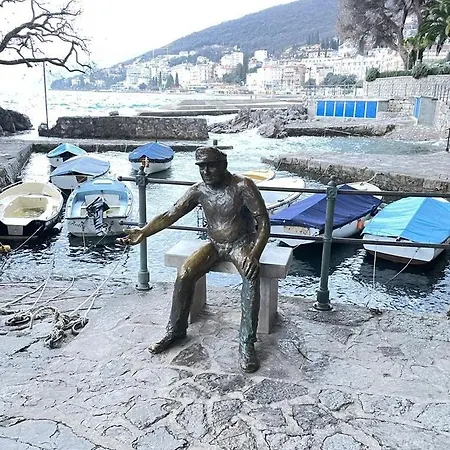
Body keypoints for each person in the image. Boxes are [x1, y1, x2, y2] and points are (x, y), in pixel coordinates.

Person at [118, 146, 270, 373]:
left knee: (250, 276)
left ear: (224, 165)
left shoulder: (243, 186)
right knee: (185, 273)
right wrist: (144, 232)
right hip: (215, 244)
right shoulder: (199, 191)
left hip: (242, 243)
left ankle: (247, 343)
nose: (205, 172)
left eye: (210, 166)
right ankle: (176, 330)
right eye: (201, 167)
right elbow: (171, 214)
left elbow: (264, 223)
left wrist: (255, 254)